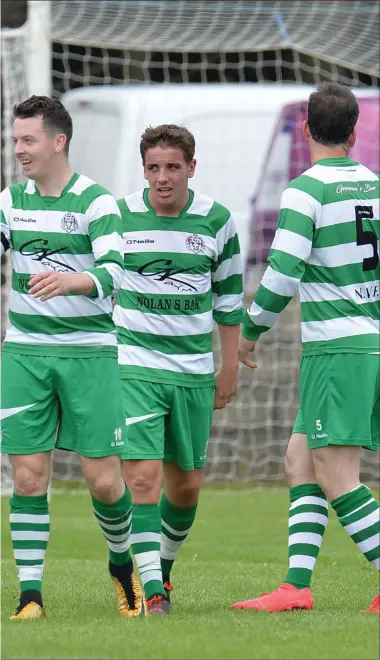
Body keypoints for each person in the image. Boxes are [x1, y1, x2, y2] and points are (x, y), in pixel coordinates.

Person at [230, 82, 380, 615]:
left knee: (338, 474)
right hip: (368, 342)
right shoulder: (375, 185)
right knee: (299, 460)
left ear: (308, 132)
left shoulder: (305, 191)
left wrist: (249, 330)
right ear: (355, 133)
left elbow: (284, 270)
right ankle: (296, 586)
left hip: (338, 347)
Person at [0, 96, 144, 620]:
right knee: (29, 477)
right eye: (15, 140)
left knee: (105, 481)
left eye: (28, 140)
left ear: (58, 141)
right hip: (25, 353)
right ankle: (30, 597)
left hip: (89, 355)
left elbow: (116, 274)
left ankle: (122, 567)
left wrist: (71, 281)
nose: (19, 150)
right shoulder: (9, 201)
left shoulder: (97, 203)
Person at [114, 124, 243, 614]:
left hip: (192, 371)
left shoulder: (218, 220)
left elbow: (230, 300)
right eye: (153, 168)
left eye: (172, 167)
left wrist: (228, 366)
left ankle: (160, 569)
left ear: (192, 167)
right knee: (143, 479)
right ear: (143, 169)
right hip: (133, 366)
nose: (162, 178)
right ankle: (152, 593)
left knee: (185, 487)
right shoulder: (121, 217)